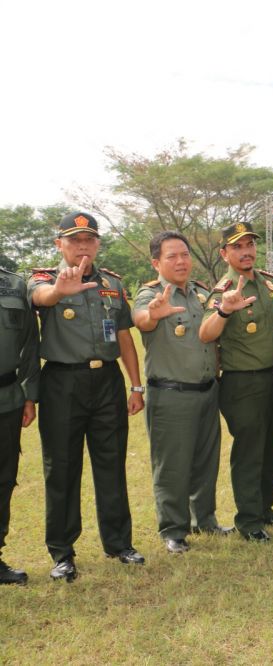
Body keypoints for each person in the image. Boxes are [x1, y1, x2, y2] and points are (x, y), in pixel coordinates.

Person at [28, 211, 146, 581]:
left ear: (97, 244)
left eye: (89, 239)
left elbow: (125, 335)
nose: (83, 245)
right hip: (63, 383)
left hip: (107, 382)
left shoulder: (111, 283)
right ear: (59, 244)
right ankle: (62, 553)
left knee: (111, 464)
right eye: (75, 239)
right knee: (61, 469)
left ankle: (119, 543)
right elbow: (40, 297)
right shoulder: (45, 278)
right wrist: (59, 291)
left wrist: (136, 385)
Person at [134, 231, 230, 554]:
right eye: (172, 256)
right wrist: (153, 315)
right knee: (172, 466)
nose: (181, 261)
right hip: (171, 395)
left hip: (206, 391)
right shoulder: (151, 295)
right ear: (156, 262)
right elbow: (142, 320)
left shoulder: (201, 294)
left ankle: (204, 518)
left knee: (206, 461)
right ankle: (173, 530)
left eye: (185, 255)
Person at [199, 222, 273, 543]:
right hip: (242, 383)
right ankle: (248, 521)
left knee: (271, 447)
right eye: (237, 246)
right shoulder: (223, 292)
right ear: (224, 253)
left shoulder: (267, 283)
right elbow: (205, 334)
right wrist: (224, 311)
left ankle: (265, 509)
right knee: (249, 451)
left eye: (250, 244)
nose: (246, 251)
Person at [0, 266, 39, 585]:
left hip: (7, 398)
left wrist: (29, 395)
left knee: (3, 479)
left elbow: (29, 343)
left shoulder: (14, 285)